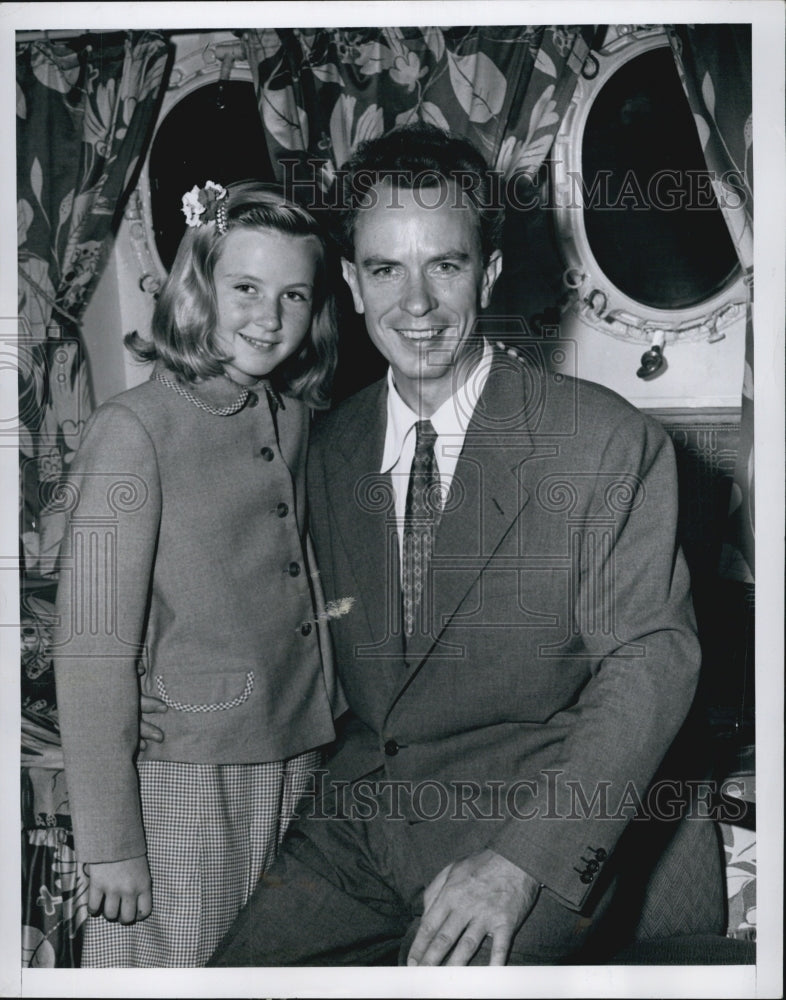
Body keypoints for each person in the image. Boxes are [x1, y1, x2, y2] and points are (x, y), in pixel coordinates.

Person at [206, 123, 702, 967]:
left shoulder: (603, 443)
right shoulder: (327, 449)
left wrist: (518, 865)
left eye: (446, 264)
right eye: (387, 270)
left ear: (491, 273)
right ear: (353, 287)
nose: (418, 305)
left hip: (527, 826)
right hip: (359, 828)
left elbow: (650, 669)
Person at [52, 181, 344, 967]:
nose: (269, 316)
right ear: (196, 288)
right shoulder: (133, 430)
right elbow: (90, 649)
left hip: (294, 751)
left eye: (293, 294)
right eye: (244, 288)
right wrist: (110, 842)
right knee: (177, 970)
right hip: (185, 766)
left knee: (265, 967)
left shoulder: (293, 415)